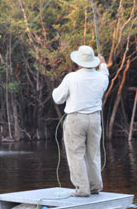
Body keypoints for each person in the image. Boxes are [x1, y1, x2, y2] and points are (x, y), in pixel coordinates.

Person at [52, 45, 109, 197]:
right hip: (95, 119)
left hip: (76, 119)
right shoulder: (102, 78)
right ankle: (95, 186)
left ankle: (82, 189)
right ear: (93, 62)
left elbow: (57, 98)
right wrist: (103, 64)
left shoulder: (71, 77)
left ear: (78, 62)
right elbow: (105, 73)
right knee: (93, 154)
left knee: (76, 154)